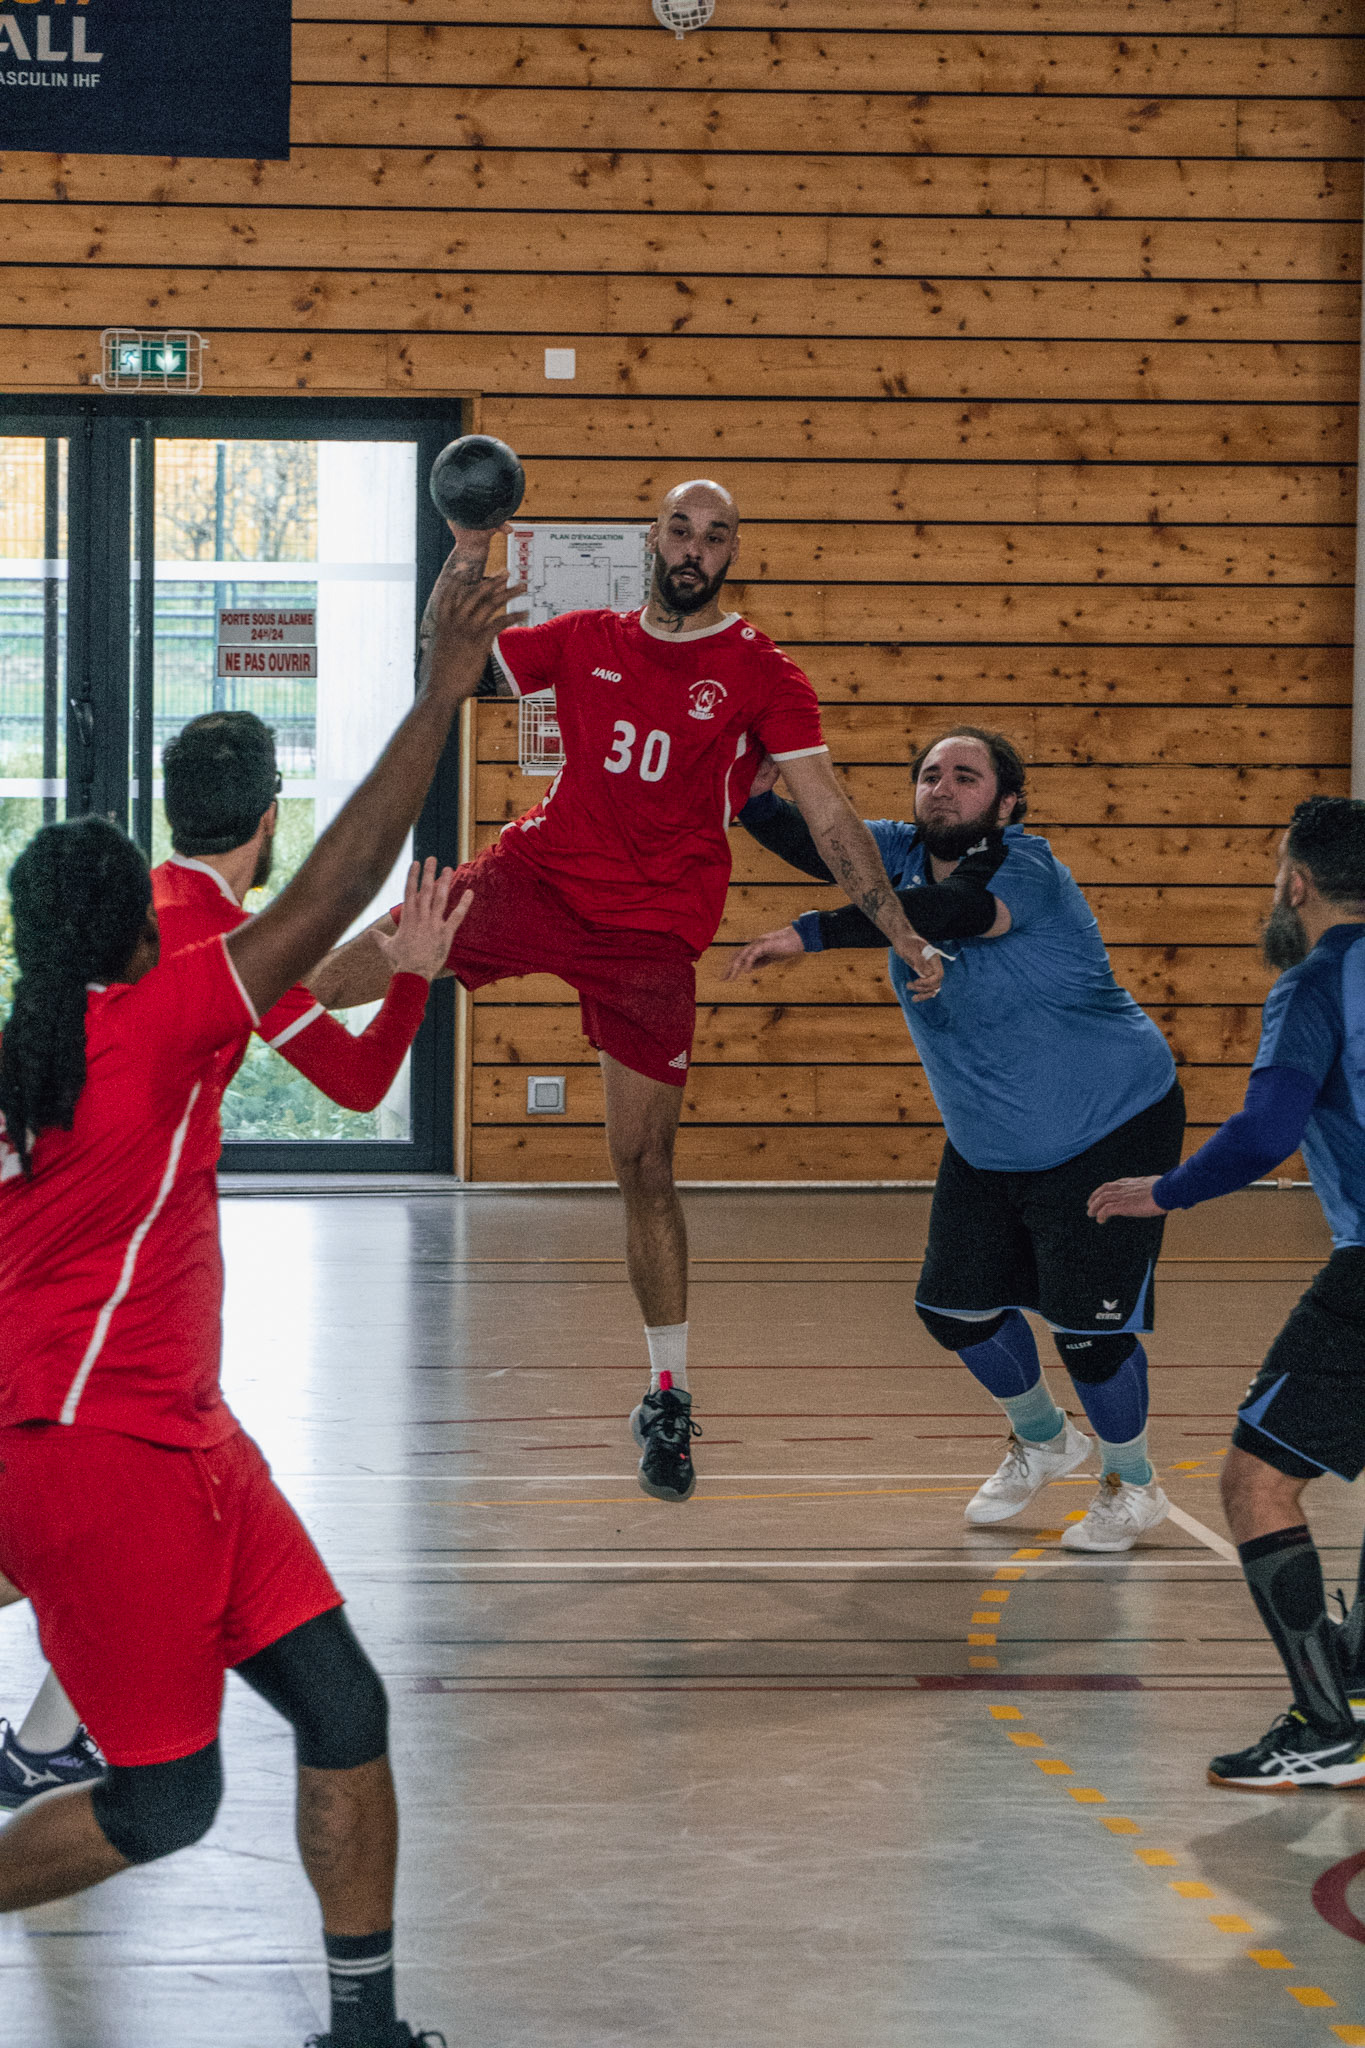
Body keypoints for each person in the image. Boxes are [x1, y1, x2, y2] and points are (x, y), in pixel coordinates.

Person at [0, 548, 512, 2048]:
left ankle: (363, 2028)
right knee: (169, 1797)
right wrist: (441, 689)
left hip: (185, 1434)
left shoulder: (54, 1042)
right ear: (130, 935)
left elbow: (313, 956)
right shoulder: (150, 1022)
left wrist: (381, 968)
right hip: (103, 1451)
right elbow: (338, 884)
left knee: (344, 1710)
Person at [308, 479, 942, 1504]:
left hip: (650, 936)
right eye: (681, 529)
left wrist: (897, 925)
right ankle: (231, 1014)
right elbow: (450, 661)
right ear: (655, 538)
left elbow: (829, 814)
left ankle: (667, 1391)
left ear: (732, 551)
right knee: (369, 953)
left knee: (643, 1163)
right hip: (538, 879)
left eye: (716, 535)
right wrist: (468, 544)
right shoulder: (585, 637)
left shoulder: (761, 670)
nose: (695, 548)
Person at [0, 710, 453, 1812]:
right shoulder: (213, 949)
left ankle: (49, 1740)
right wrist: (411, 976)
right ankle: (53, 1747)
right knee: (114, 1506)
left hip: (56, 1274)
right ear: (270, 820)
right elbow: (358, 1083)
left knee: (97, 1518)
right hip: (123, 1290)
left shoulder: (133, 914)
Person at [727, 725, 1185, 1552]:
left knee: (1088, 1334)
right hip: (991, 1136)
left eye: (965, 776)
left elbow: (955, 911)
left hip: (1107, 1122)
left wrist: (810, 932)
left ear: (1006, 804)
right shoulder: (898, 852)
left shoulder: (1025, 867)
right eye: (930, 774)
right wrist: (755, 798)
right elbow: (820, 843)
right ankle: (1044, 1440)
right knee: (953, 1309)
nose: (941, 787)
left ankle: (1133, 1484)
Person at [1090, 795, 1365, 1789]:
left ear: (1297, 883)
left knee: (1255, 1483)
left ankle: (1325, 1728)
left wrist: (1162, 1190)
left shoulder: (1317, 981)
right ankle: (1359, 1680)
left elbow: (1265, 1130)